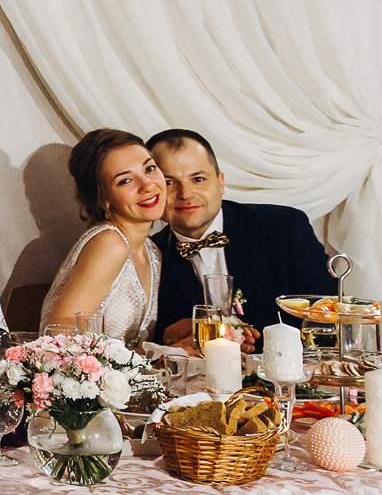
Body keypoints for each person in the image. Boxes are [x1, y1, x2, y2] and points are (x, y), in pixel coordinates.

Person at [148, 127, 334, 346]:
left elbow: (327, 313)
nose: (186, 194)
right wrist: (169, 337)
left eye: (198, 179)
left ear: (220, 183)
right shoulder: (148, 255)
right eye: (168, 182)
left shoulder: (283, 226)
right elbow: (152, 340)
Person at [40, 129, 170, 344]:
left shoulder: (153, 251)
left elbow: (135, 351)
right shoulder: (109, 244)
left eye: (149, 168)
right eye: (125, 180)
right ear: (103, 199)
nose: (147, 185)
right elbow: (59, 339)